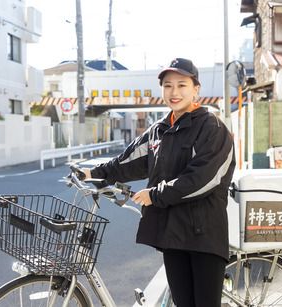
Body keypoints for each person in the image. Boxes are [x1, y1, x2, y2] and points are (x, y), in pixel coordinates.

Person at [79, 58, 235, 307]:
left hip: (203, 234)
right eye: (168, 85)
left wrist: (155, 195)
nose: (174, 92)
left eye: (182, 85)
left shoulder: (213, 128)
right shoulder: (159, 130)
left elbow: (204, 179)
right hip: (172, 233)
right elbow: (125, 162)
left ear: (196, 89)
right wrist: (91, 173)